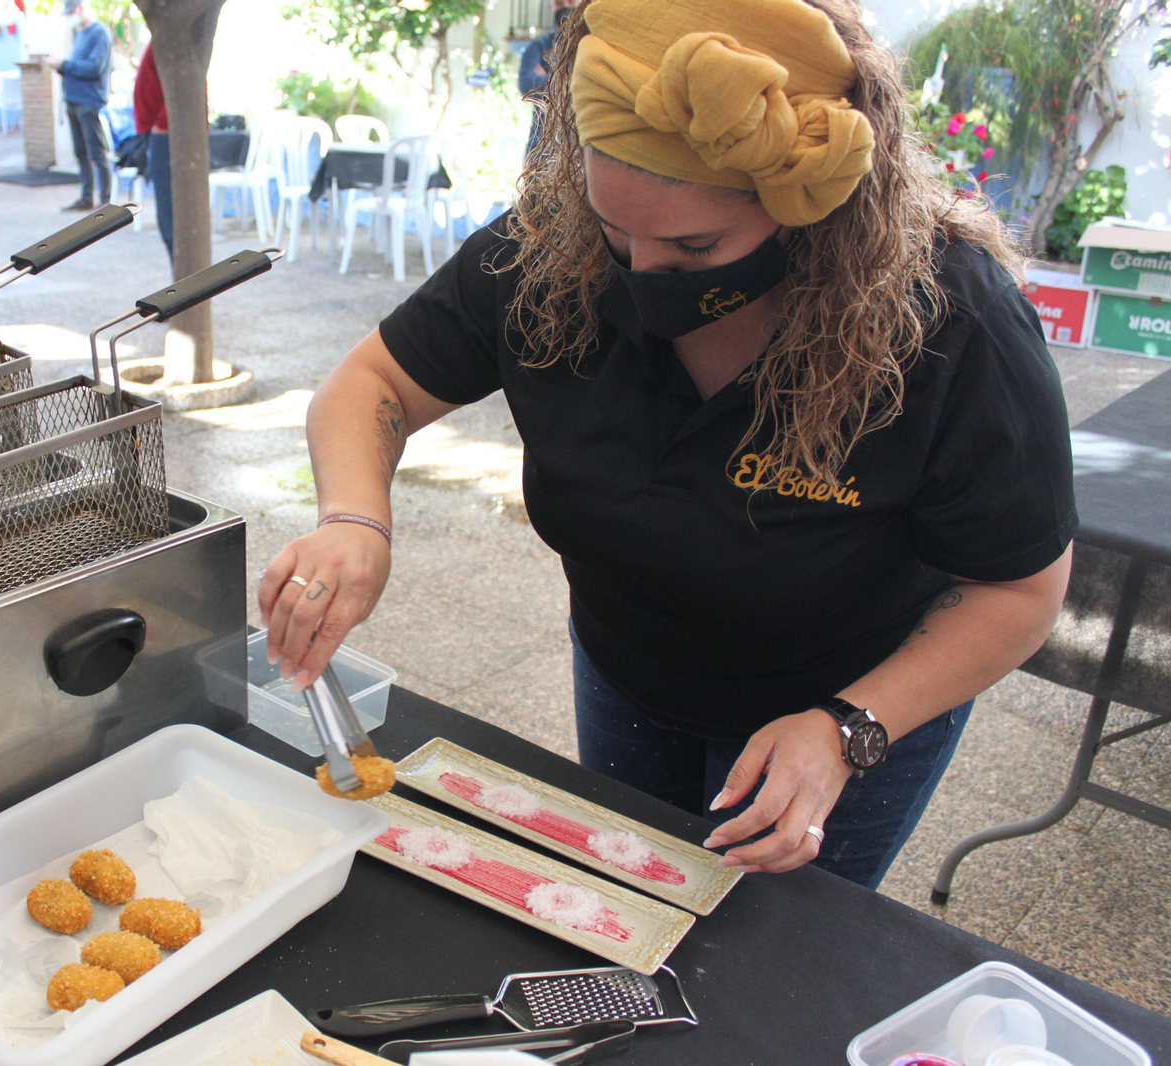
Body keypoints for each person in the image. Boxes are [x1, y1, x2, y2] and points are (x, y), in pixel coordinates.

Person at [258, 0, 1076, 891]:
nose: (645, 275)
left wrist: (851, 728)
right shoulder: (546, 256)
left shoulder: (953, 322)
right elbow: (371, 384)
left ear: (808, 206)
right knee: (624, 900)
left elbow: (1021, 588)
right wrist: (354, 519)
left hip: (851, 696)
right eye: (618, 232)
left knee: (773, 958)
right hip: (629, 670)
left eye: (694, 246)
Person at [51, 0, 112, 211]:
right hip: (73, 100)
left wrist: (64, 65)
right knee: (81, 152)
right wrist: (62, 68)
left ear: (81, 7)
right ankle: (86, 197)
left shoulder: (100, 33)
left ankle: (105, 200)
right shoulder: (80, 33)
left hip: (89, 101)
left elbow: (95, 67)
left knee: (96, 152)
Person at [518, 0, 576, 154]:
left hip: (577, 150)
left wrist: (548, 78)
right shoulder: (538, 47)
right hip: (540, 148)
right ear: (552, 7)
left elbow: (587, 90)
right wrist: (569, 82)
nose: (565, 7)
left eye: (570, 1)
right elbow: (527, 85)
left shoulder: (589, 48)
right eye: (559, 3)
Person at [132, 41, 172, 259]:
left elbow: (183, 87)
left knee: (171, 219)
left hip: (165, 134)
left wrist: (162, 125)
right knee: (167, 217)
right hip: (156, 131)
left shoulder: (173, 37)